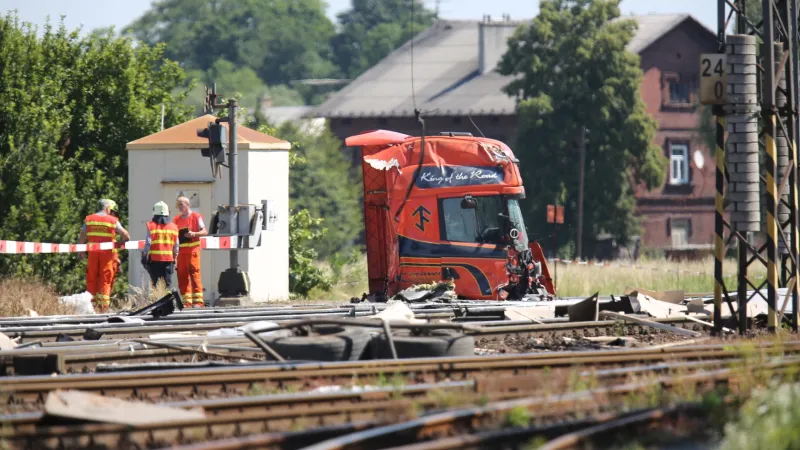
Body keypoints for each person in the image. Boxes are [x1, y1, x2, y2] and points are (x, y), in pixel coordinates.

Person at [78, 199, 130, 313]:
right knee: (105, 280)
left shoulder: (89, 219)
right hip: (107, 256)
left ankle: (90, 307)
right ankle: (103, 308)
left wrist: (80, 250)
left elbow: (82, 234)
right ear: (107, 208)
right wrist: (125, 241)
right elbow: (125, 234)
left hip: (93, 254)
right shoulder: (112, 220)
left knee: (91, 278)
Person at [173, 196, 208, 308]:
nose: (179, 207)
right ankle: (186, 303)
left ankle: (198, 302)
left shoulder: (196, 216)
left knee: (195, 275)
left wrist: (194, 234)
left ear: (187, 204)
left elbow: (204, 231)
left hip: (193, 251)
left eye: (181, 204)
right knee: (182, 276)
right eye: (178, 205)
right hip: (182, 252)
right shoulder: (176, 219)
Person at [142, 201, 179, 290]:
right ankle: (167, 303)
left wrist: (144, 256)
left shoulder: (151, 226)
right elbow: (176, 246)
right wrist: (175, 257)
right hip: (168, 260)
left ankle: (158, 302)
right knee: (167, 286)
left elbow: (148, 243)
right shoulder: (174, 227)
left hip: (155, 261)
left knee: (156, 286)